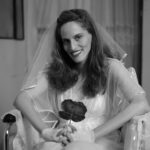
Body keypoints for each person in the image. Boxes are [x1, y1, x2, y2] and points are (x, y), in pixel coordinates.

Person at [13, 9, 150, 150]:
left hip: (100, 140)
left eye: (78, 37)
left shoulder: (111, 67)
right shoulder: (56, 69)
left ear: (92, 35)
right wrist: (46, 132)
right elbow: (21, 98)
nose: (72, 47)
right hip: (63, 140)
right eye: (66, 41)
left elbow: (141, 103)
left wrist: (91, 135)